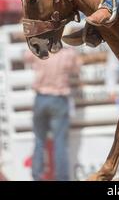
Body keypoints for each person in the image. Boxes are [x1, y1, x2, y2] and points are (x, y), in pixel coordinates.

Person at [24, 47, 82, 181]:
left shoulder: (39, 49)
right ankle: (62, 178)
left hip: (41, 97)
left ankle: (36, 176)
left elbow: (26, 56)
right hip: (59, 98)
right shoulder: (67, 52)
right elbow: (77, 67)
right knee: (60, 141)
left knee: (39, 139)